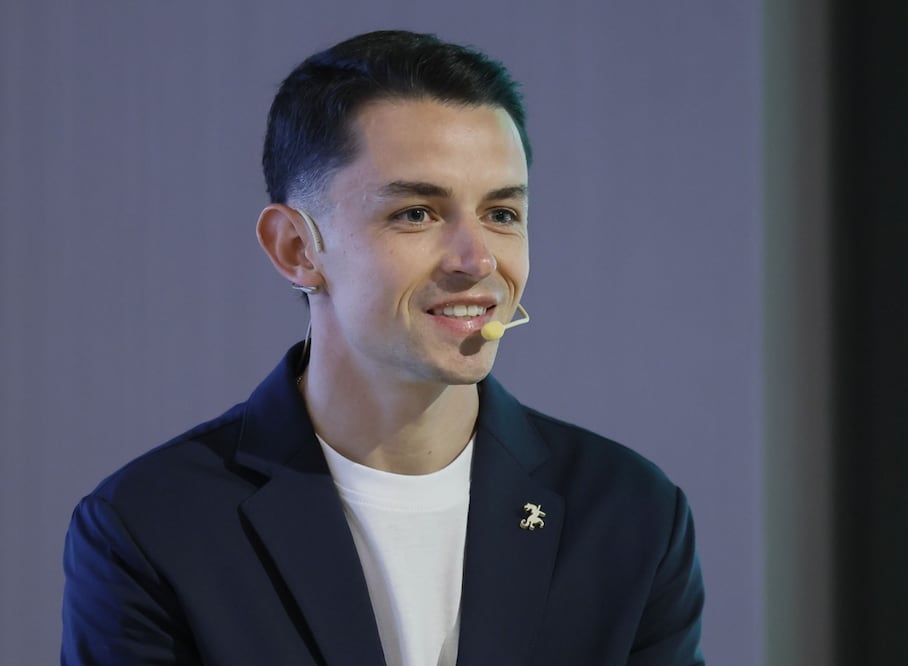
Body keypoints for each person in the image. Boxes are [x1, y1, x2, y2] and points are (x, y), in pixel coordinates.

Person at [62, 30, 705, 665]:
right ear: (296, 248)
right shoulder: (152, 527)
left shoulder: (629, 515)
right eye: (417, 213)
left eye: (501, 214)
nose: (477, 258)